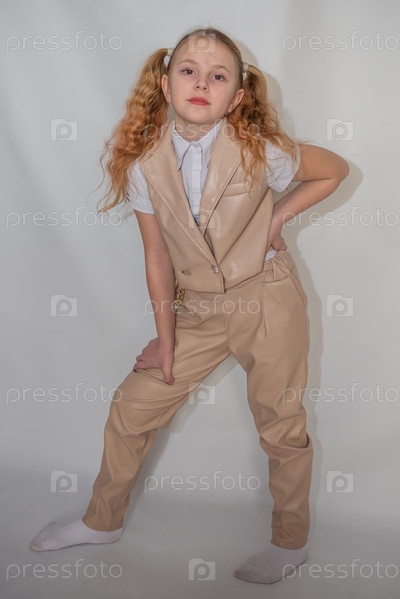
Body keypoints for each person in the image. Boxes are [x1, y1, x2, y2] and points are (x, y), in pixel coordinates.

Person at [30, 26, 349, 584]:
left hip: (266, 300)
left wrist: (277, 217)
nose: (201, 83)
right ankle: (102, 521)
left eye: (218, 76)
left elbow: (334, 170)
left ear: (237, 96)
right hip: (197, 309)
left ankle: (290, 541)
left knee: (281, 423)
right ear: (165, 83)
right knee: (132, 407)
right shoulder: (142, 163)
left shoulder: (262, 150)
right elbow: (157, 255)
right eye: (188, 71)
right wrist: (166, 337)